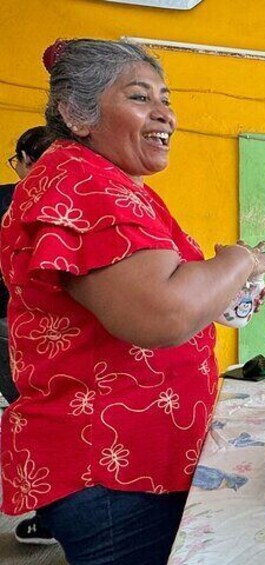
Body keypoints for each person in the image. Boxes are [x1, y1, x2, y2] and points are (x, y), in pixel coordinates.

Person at [0, 39, 265, 564]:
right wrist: (240, 260)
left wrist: (225, 289)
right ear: (76, 114)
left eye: (166, 98)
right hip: (113, 471)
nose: (166, 115)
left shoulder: (103, 181)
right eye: (140, 97)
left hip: (136, 462)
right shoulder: (80, 182)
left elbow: (165, 294)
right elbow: (162, 314)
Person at [1, 126, 57, 545]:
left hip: (13, 326)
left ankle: (51, 516)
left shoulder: (9, 199)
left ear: (24, 159)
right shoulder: (84, 196)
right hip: (64, 330)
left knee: (34, 416)